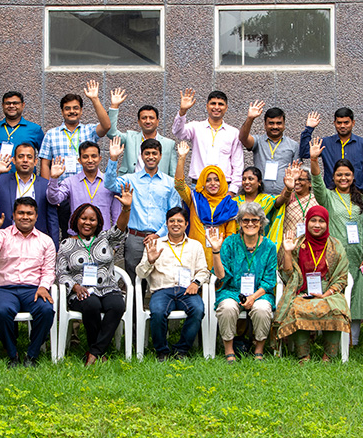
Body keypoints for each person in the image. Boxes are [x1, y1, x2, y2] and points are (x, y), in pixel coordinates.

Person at [56, 187, 133, 365]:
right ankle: (99, 352)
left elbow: (120, 228)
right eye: (84, 218)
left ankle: (94, 352)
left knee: (116, 305)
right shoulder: (67, 244)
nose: (87, 223)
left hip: (107, 287)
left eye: (92, 219)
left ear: (98, 223)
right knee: (91, 304)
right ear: (76, 220)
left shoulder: (105, 238)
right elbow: (61, 273)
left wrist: (126, 208)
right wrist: (75, 287)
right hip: (80, 291)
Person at [308, 136, 363, 346]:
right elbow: (316, 182)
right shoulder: (328, 197)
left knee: (357, 295)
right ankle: (330, 337)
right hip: (334, 256)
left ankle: (353, 339)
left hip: (356, 256)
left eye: (347, 175)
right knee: (335, 293)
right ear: (333, 177)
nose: (343, 178)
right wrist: (314, 160)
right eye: (339, 175)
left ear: (353, 176)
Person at [0, 199, 57, 367]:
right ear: (13, 215)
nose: (25, 217)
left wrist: (44, 286)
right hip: (4, 289)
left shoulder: (46, 241)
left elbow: (49, 269)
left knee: (45, 310)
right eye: (21, 213)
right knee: (1, 311)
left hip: (33, 289)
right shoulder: (2, 235)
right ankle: (12, 353)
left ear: (36, 216)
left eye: (29, 213)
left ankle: (32, 355)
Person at [274, 206, 351, 362]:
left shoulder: (335, 246)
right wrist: (288, 252)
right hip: (302, 290)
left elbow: (342, 276)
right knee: (298, 308)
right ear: (307, 222)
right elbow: (288, 275)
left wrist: (326, 294)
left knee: (335, 309)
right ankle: (304, 355)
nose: (317, 225)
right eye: (313, 221)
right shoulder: (297, 243)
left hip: (329, 292)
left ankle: (329, 356)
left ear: (327, 223)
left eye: (321, 221)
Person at [104, 138, 182, 285]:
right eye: (147, 153)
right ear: (141, 155)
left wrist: (158, 234)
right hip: (135, 238)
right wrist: (113, 158)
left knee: (161, 280)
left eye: (154, 153)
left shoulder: (169, 183)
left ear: (160, 156)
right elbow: (109, 184)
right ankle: (133, 309)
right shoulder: (130, 180)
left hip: (161, 238)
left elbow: (174, 213)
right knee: (133, 281)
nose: (151, 157)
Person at [136, 208, 210, 360]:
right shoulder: (154, 244)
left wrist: (196, 283)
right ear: (167, 223)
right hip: (162, 290)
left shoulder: (195, 245)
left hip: (187, 289)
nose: (176, 224)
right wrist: (150, 261)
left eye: (180, 221)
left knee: (197, 310)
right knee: (157, 312)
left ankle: (181, 350)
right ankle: (162, 351)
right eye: (172, 221)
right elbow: (140, 273)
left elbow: (204, 271)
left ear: (186, 224)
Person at [206, 202, 276, 363]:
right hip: (232, 290)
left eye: (254, 220)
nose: (250, 224)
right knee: (227, 308)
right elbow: (221, 275)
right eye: (245, 220)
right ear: (239, 222)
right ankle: (229, 350)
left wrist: (253, 297)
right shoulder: (230, 243)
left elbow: (269, 280)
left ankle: (259, 350)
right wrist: (215, 251)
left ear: (261, 222)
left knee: (262, 309)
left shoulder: (269, 246)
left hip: (260, 293)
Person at [0, 143, 60, 241]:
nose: (25, 160)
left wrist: (55, 245)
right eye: (21, 156)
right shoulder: (1, 180)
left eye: (29, 157)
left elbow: (52, 218)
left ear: (35, 162)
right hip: (7, 240)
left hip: (36, 241)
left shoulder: (45, 184)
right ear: (14, 160)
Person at [175, 141, 238, 265]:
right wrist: (182, 158)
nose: (213, 183)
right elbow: (179, 185)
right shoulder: (194, 199)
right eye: (208, 180)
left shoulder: (229, 205)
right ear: (203, 182)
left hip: (220, 257)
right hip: (194, 256)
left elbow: (231, 237)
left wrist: (226, 259)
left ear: (222, 182)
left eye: (216, 180)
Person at [172, 88, 243, 190]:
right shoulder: (196, 127)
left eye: (221, 104)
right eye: (213, 103)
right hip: (198, 186)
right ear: (207, 106)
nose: (216, 107)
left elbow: (237, 164)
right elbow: (178, 132)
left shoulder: (234, 133)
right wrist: (183, 111)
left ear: (226, 108)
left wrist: (232, 190)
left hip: (223, 187)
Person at [47, 141, 122, 236]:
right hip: (76, 239)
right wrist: (53, 179)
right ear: (79, 160)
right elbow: (53, 200)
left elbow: (117, 215)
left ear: (100, 159)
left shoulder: (110, 184)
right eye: (85, 157)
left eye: (94, 156)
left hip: (103, 239)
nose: (90, 160)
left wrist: (115, 245)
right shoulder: (70, 182)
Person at [299, 108, 363, 197]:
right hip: (332, 194)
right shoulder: (325, 143)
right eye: (339, 123)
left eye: (346, 122)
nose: (342, 126)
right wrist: (309, 129)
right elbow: (304, 153)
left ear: (353, 123)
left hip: (357, 194)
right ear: (334, 123)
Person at [102, 89, 176, 177]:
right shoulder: (130, 138)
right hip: (131, 187)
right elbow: (111, 133)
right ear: (139, 122)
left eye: (151, 118)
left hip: (159, 188)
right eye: (144, 118)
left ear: (157, 122)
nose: (148, 121)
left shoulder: (169, 144)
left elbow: (173, 174)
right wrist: (114, 106)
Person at [237, 101, 305, 195]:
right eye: (271, 123)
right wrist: (250, 118)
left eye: (279, 123)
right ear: (265, 125)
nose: (275, 126)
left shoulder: (293, 145)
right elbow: (243, 138)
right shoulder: (258, 141)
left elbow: (297, 173)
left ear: (284, 125)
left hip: (284, 196)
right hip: (260, 196)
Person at [0, 91, 44, 171]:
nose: (11, 106)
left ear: (23, 105)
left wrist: (41, 180)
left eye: (15, 103)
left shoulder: (35, 129)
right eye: (8, 103)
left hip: (25, 181)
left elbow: (45, 158)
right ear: (2, 106)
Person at [234, 165, 287, 249]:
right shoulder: (235, 202)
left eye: (250, 179)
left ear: (259, 182)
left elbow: (280, 200)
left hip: (262, 247)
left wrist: (288, 187)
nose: (246, 182)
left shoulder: (267, 200)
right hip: (239, 246)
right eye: (244, 179)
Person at [278, 164, 319, 247]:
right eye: (295, 179)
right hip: (288, 244)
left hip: (310, 245)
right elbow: (278, 203)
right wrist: (288, 187)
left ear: (310, 183)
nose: (296, 182)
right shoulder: (289, 197)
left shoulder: (316, 200)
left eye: (300, 179)